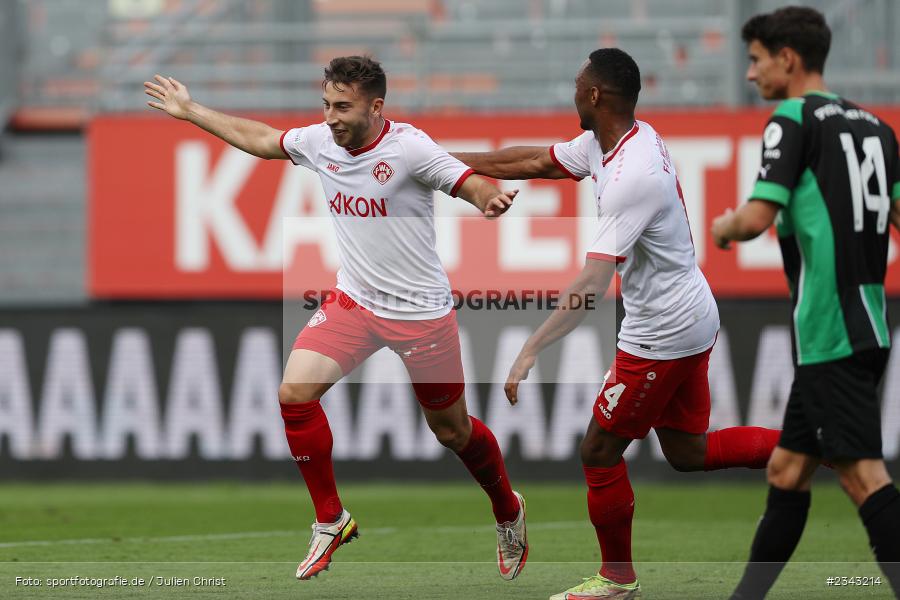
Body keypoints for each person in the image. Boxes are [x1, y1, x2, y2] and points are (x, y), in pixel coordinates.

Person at [144, 55, 530, 582]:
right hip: (354, 302)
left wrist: (490, 197)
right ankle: (331, 518)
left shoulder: (409, 147)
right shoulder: (321, 142)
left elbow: (465, 181)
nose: (330, 117)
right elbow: (262, 139)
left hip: (420, 315)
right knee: (294, 394)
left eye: (342, 107)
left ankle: (507, 508)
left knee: (452, 432)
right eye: (325, 104)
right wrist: (191, 112)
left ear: (376, 106)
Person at [454, 47, 781, 600]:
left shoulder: (634, 175)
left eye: (578, 83)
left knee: (598, 451)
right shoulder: (612, 141)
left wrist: (531, 347)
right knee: (687, 452)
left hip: (662, 332)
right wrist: (448, 165)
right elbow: (534, 162)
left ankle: (615, 579)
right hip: (690, 313)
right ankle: (811, 444)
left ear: (595, 95)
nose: (572, 91)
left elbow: (592, 283)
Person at [710, 7, 900, 599]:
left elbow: (758, 216)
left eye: (756, 60)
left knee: (865, 479)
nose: (750, 74)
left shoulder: (791, 119)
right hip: (867, 318)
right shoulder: (877, 128)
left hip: (828, 330)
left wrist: (723, 226)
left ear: (787, 59)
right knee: (786, 471)